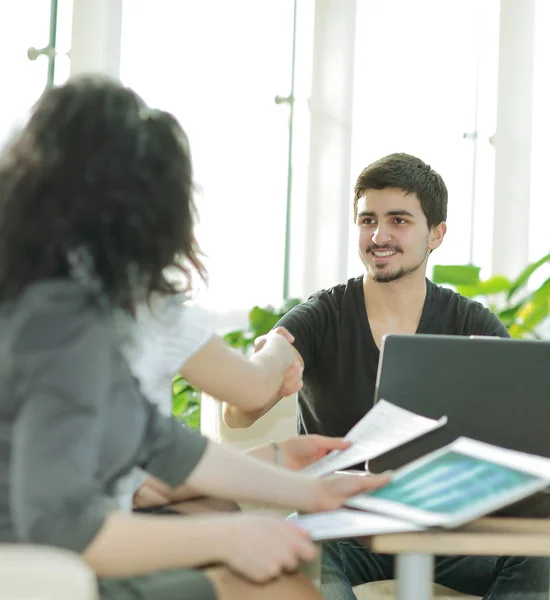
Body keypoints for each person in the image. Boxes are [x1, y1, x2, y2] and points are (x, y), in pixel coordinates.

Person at [0, 75, 392, 600]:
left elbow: (160, 442)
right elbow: (62, 524)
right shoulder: (62, 324)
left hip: (59, 555)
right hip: (40, 572)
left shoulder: (67, 303)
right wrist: (231, 537)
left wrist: (312, 492)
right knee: (276, 589)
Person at [223, 153, 548, 599]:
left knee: (540, 554)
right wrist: (266, 376)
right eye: (367, 220)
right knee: (300, 548)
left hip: (448, 531)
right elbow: (238, 415)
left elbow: (523, 431)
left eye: (399, 221)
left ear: (436, 234)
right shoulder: (321, 315)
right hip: (341, 529)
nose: (379, 236)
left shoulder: (473, 322)